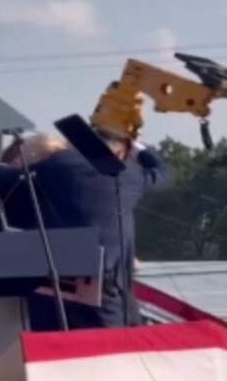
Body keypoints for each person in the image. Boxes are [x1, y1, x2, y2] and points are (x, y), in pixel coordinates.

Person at [17, 126, 171, 330]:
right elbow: (162, 173)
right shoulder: (126, 174)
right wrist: (135, 146)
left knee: (54, 356)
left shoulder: (47, 167)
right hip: (101, 291)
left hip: (47, 287)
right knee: (107, 355)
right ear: (117, 153)